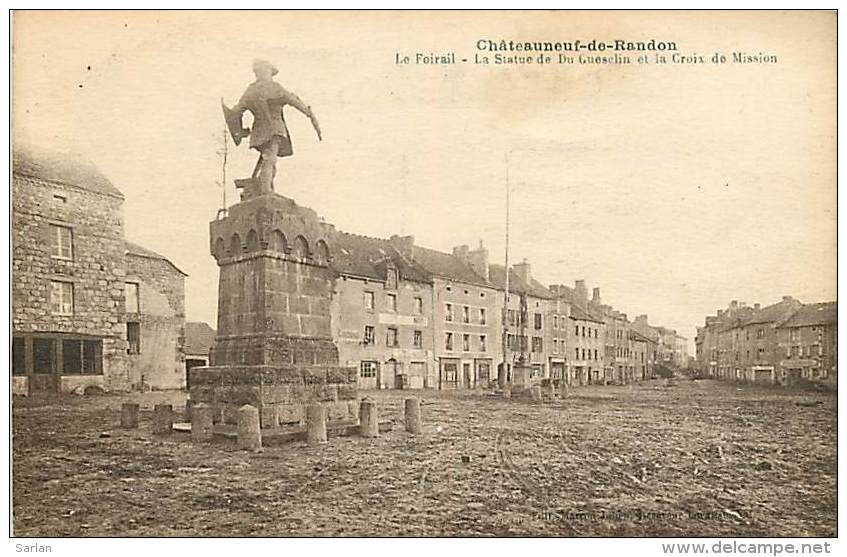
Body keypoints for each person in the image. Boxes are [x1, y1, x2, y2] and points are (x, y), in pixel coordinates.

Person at [230, 59, 321, 193]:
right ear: (267, 71)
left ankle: (267, 188)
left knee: (268, 158)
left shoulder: (250, 90)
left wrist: (241, 131)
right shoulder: (274, 87)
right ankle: (266, 189)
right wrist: (309, 114)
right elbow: (294, 101)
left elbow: (236, 112)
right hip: (275, 129)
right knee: (270, 159)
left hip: (259, 132)